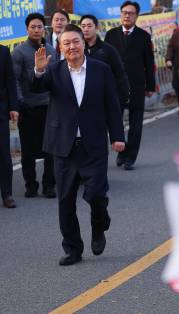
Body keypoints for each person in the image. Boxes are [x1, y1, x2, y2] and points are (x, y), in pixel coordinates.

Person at [32, 24, 125, 266]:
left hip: (92, 145)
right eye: (66, 43)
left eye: (75, 41)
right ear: (60, 47)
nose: (72, 46)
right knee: (65, 201)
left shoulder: (100, 70)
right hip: (63, 146)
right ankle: (73, 249)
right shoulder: (53, 71)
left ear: (83, 43)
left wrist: (118, 135)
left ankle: (98, 226)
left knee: (95, 195)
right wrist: (39, 72)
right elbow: (36, 88)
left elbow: (112, 105)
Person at [105, 1, 156, 170]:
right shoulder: (111, 35)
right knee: (115, 121)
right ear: (120, 14)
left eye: (131, 13)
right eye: (124, 12)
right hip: (115, 86)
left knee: (136, 124)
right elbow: (105, 62)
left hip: (137, 86)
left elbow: (149, 63)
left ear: (137, 16)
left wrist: (150, 86)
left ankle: (130, 158)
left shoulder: (143, 36)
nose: (127, 15)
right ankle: (122, 149)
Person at [12, 13, 57, 198]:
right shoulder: (19, 52)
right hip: (27, 107)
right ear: (27, 29)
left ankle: (49, 185)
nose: (37, 30)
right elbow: (13, 80)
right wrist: (21, 102)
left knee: (51, 149)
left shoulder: (51, 50)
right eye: (33, 27)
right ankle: (31, 185)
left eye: (40, 26)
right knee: (28, 150)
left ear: (44, 28)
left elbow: (55, 78)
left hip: (49, 106)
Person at [80, 14, 130, 107]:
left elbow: (119, 73)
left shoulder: (108, 49)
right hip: (83, 98)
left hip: (105, 97)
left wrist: (124, 94)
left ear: (97, 27)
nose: (86, 29)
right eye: (83, 26)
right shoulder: (78, 50)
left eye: (89, 26)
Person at [0, 45, 19, 208]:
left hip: (0, 110)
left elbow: (10, 79)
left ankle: (7, 194)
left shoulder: (3, 51)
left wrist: (13, 106)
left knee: (4, 156)